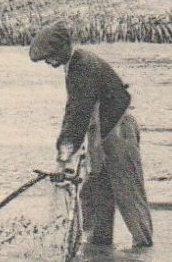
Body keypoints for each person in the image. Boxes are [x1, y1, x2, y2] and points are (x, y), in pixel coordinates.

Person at [29, 23, 153, 249]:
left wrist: (64, 156)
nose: (48, 62)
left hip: (118, 130)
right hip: (101, 133)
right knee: (94, 191)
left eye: (50, 57)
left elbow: (78, 114)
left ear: (62, 49)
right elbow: (76, 113)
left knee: (128, 194)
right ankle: (98, 247)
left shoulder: (83, 67)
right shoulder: (76, 65)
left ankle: (143, 247)